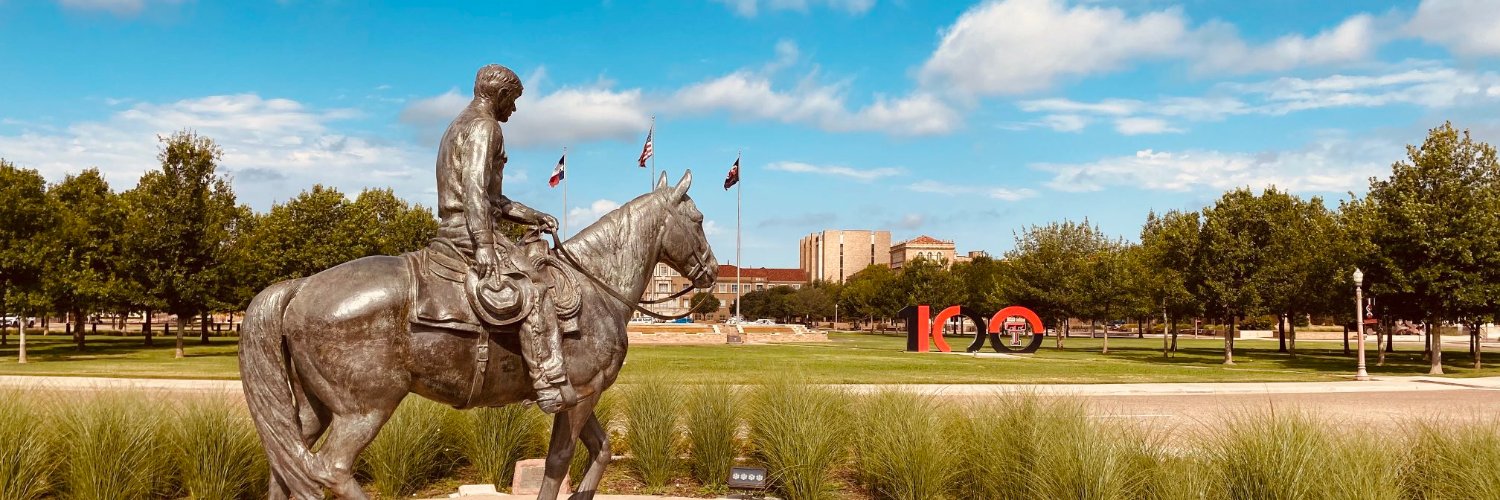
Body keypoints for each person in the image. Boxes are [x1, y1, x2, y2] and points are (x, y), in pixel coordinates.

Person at [434, 64, 577, 413]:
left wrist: (533, 215)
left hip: (463, 223)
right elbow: (473, 191)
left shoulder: (461, 123)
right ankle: (546, 382)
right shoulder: (486, 127)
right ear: (499, 96)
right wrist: (483, 243)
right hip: (468, 230)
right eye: (512, 101)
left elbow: (492, 197)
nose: (513, 109)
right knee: (537, 288)